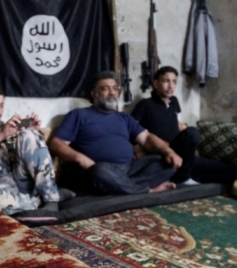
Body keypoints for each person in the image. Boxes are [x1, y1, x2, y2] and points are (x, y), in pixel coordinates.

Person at [49, 71, 181, 195]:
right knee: (99, 172)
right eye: (105, 88)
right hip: (99, 169)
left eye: (115, 88)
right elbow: (57, 143)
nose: (112, 92)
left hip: (129, 169)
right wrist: (81, 159)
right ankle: (147, 190)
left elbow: (146, 138)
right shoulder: (79, 115)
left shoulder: (124, 117)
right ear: (94, 93)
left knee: (166, 163)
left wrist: (169, 152)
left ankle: (123, 188)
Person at [0, 85, 72, 214]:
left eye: (1, 105)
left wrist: (34, 132)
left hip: (20, 182)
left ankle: (50, 200)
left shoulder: (11, 127)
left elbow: (36, 156)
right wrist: (2, 135)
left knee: (29, 134)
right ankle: (46, 198)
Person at [131, 66, 237, 186]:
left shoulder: (174, 101)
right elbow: (131, 129)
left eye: (174, 81)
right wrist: (137, 148)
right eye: (166, 81)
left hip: (181, 155)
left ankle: (182, 175)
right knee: (192, 132)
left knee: (230, 171)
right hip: (161, 154)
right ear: (156, 83)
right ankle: (183, 178)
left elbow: (179, 124)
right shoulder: (145, 105)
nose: (171, 86)